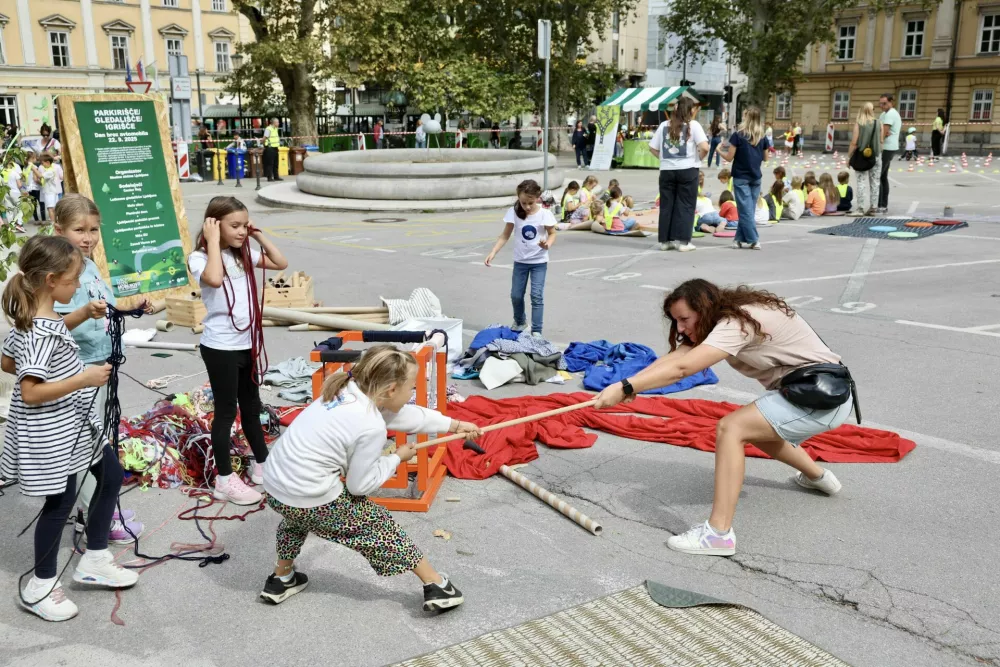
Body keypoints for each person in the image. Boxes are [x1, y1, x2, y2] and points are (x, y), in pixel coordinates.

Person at [594, 279, 854, 556]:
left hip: (820, 399)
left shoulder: (736, 323)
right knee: (759, 430)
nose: (680, 328)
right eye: (675, 321)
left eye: (684, 319)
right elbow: (675, 357)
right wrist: (629, 384)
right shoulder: (728, 314)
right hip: (815, 394)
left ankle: (718, 535)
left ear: (703, 309)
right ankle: (818, 477)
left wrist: (626, 388)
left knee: (732, 429)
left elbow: (683, 368)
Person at [260, 346, 482, 609]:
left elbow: (400, 414)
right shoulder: (370, 425)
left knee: (295, 519)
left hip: (275, 488)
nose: (413, 392)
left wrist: (452, 425)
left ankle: (281, 578)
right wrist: (395, 458)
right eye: (412, 387)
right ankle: (437, 586)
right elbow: (359, 486)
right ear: (390, 389)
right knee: (378, 526)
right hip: (309, 495)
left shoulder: (347, 390)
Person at [1, 235, 138, 621]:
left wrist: (78, 321)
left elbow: (8, 361)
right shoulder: (42, 331)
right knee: (59, 503)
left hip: (75, 423)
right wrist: (84, 377)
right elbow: (29, 392)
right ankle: (41, 585)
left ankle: (94, 557)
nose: (78, 286)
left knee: (110, 474)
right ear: (50, 280)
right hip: (52, 429)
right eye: (73, 280)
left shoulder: (33, 321)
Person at [51, 195, 146, 543]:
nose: (88, 237)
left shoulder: (89, 264)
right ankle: (93, 518)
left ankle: (96, 506)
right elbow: (51, 324)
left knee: (98, 440)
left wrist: (130, 307)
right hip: (80, 369)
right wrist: (85, 313)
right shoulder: (61, 272)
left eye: (94, 229)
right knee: (91, 447)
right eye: (79, 230)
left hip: (100, 364)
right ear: (58, 228)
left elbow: (104, 303)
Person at [187, 196, 289, 505]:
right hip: (220, 347)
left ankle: (262, 464)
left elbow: (280, 263)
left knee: (252, 405)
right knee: (227, 412)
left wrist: (257, 235)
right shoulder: (201, 257)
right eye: (235, 226)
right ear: (214, 226)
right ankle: (224, 480)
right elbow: (215, 280)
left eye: (245, 224)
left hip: (247, 343)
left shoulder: (245, 252)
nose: (242, 231)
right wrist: (214, 241)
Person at [484, 180, 557, 337]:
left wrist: (547, 244)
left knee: (536, 296)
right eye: (524, 203)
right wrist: (493, 252)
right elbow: (505, 235)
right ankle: (520, 321)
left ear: (537, 198)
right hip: (520, 261)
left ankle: (537, 331)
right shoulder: (514, 212)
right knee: (516, 295)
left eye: (530, 203)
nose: (527, 207)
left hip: (539, 262)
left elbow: (552, 233)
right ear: (518, 198)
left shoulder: (544, 214)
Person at [649, 97, 709, 252]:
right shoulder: (693, 125)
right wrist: (699, 158)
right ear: (690, 110)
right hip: (688, 169)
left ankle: (665, 241)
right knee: (686, 205)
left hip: (667, 170)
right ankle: (683, 241)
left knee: (667, 205)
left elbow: (653, 148)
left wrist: (664, 159)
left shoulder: (664, 125)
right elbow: (705, 147)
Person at [718, 106, 769, 250]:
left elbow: (729, 158)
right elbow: (766, 158)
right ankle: (738, 239)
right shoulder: (762, 136)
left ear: (747, 118)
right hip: (756, 177)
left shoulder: (738, 135)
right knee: (748, 210)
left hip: (741, 177)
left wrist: (718, 151)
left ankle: (754, 239)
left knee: (746, 211)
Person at [847, 102, 882, 217]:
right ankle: (873, 208)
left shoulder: (859, 123)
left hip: (862, 156)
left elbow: (854, 142)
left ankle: (860, 208)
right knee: (875, 182)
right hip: (876, 155)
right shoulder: (879, 123)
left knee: (861, 182)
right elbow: (881, 141)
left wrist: (849, 156)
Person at [877, 93, 901, 213]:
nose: (882, 106)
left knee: (879, 175)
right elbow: (879, 129)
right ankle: (881, 204)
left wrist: (882, 132)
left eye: (884, 103)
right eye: (880, 103)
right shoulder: (884, 114)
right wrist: (882, 131)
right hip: (886, 146)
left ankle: (881, 204)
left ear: (891, 102)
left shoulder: (891, 114)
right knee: (883, 176)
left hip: (887, 147)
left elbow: (882, 132)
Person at [33, 153, 62, 221]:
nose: (42, 165)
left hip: (50, 192)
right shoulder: (49, 170)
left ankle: (53, 224)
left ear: (48, 162)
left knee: (50, 209)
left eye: (43, 163)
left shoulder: (50, 171)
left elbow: (40, 176)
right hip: (52, 192)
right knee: (53, 208)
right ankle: (55, 222)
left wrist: (34, 169)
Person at [262, 118, 282, 182]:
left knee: (276, 163)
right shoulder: (268, 129)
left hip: (275, 148)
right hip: (270, 148)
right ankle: (269, 177)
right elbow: (264, 138)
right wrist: (264, 145)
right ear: (274, 123)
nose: (278, 123)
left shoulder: (275, 129)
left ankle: (276, 176)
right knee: (270, 164)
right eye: (277, 122)